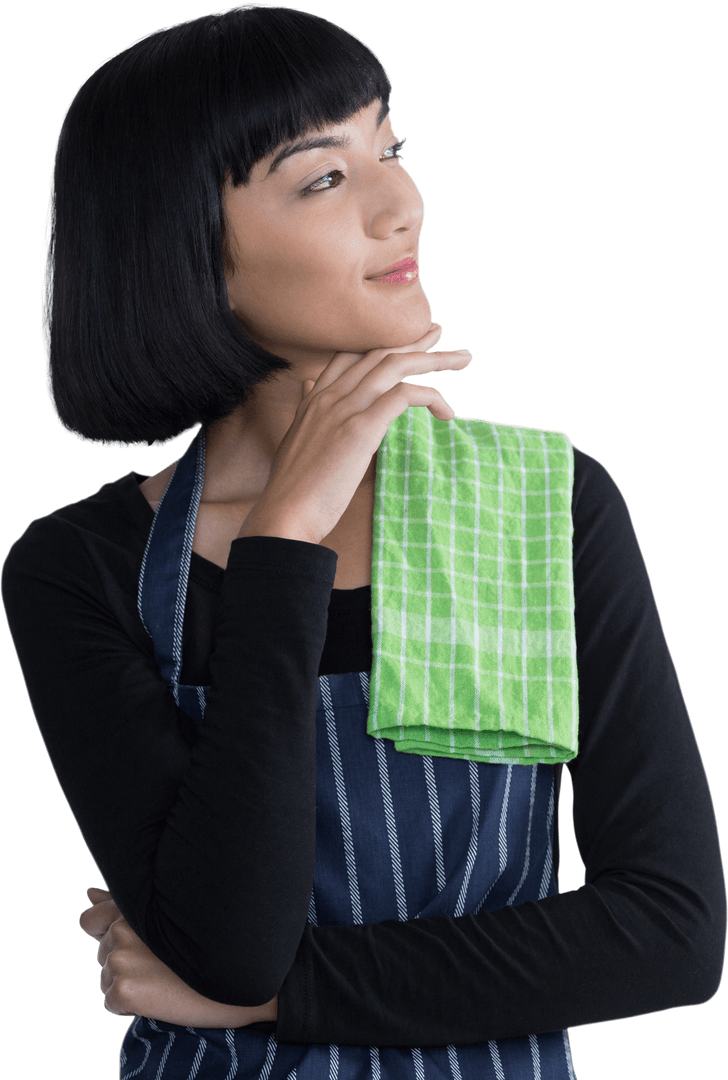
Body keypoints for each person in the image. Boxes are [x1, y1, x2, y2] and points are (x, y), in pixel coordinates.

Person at [1, 5, 724, 1079]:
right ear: (183, 248)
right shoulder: (78, 568)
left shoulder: (545, 504)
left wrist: (278, 998)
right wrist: (283, 538)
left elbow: (670, 937)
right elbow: (230, 935)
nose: (402, 205)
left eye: (388, 147)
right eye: (323, 178)